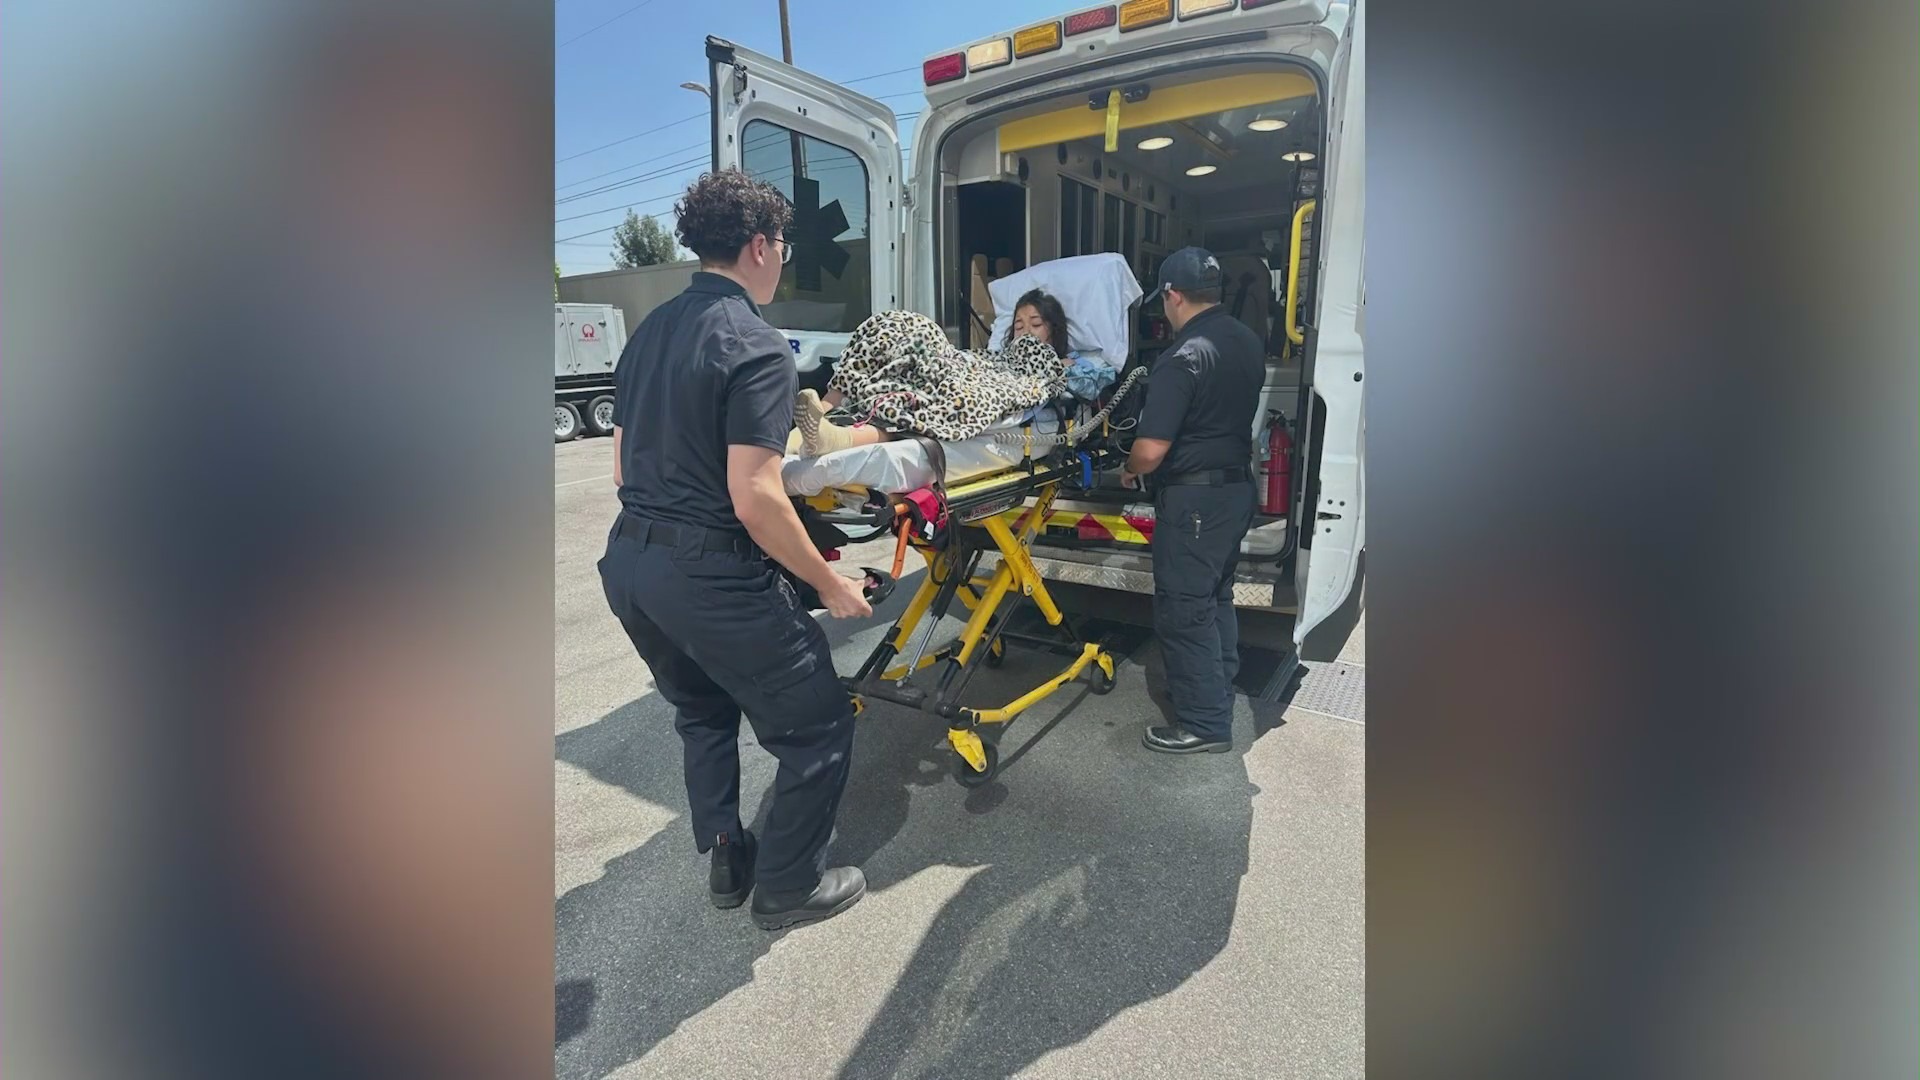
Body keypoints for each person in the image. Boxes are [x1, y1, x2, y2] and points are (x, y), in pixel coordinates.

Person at [598, 168, 872, 930]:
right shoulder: (754, 343)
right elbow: (754, 494)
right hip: (707, 570)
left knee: (704, 712)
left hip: (630, 564)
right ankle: (788, 884)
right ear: (759, 245)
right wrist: (828, 583)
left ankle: (728, 853)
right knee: (817, 726)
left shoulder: (649, 331)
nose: (782, 257)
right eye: (782, 243)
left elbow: (625, 465)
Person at [1119, 247, 1266, 755]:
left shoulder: (1182, 356)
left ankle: (1203, 723)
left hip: (1196, 502)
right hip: (1234, 491)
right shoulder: (1245, 341)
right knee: (1215, 596)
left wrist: (1128, 469)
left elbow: (1152, 450)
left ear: (1173, 295)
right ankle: (1217, 689)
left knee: (1185, 607)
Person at [788, 292, 1078, 456]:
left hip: (980, 384)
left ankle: (825, 436)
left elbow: (1079, 382)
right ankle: (826, 408)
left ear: (1053, 328)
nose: (1025, 331)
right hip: (966, 365)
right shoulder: (1000, 353)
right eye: (1018, 325)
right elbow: (980, 362)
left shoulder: (1063, 363)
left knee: (931, 402)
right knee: (896, 324)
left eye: (1035, 324)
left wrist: (1060, 366)